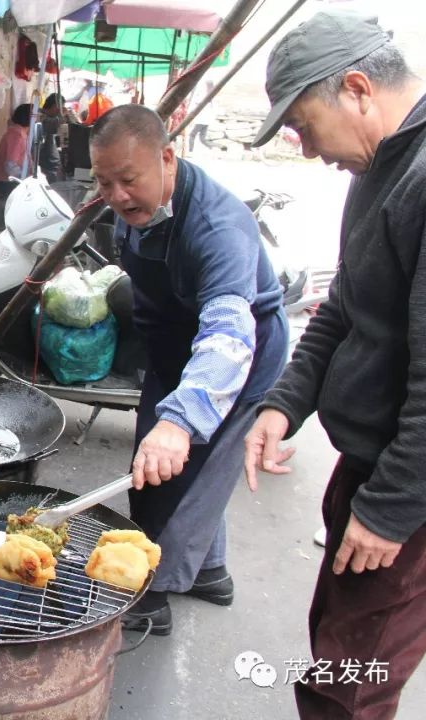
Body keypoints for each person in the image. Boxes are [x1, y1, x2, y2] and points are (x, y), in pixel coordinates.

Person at [245, 10, 426, 719]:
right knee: (335, 651)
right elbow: (344, 310)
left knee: (346, 687)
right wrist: (283, 402)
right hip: (369, 469)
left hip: (406, 492)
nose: (309, 151)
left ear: (356, 89)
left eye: (304, 125)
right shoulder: (379, 173)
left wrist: (385, 513)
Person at [88, 105, 289, 635]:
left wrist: (180, 421)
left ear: (167, 158)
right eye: (103, 182)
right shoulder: (132, 208)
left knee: (172, 475)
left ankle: (148, 594)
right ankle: (210, 573)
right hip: (174, 348)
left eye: (128, 180)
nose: (116, 195)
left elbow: (227, 331)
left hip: (236, 359)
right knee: (170, 466)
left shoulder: (219, 226)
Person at [0, 104, 32, 197]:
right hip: (9, 183)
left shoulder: (21, 133)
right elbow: (10, 165)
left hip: (12, 182)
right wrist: (25, 179)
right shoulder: (16, 136)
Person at [38, 93, 64, 183]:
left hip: (48, 161)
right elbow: (49, 124)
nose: (60, 111)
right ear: (54, 106)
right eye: (60, 108)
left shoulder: (51, 118)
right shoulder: (39, 114)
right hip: (41, 163)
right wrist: (62, 117)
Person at [188, 80, 219, 153]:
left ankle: (190, 151)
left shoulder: (206, 96)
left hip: (202, 120)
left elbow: (197, 103)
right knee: (202, 139)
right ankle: (214, 147)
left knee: (192, 135)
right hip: (207, 121)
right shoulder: (212, 96)